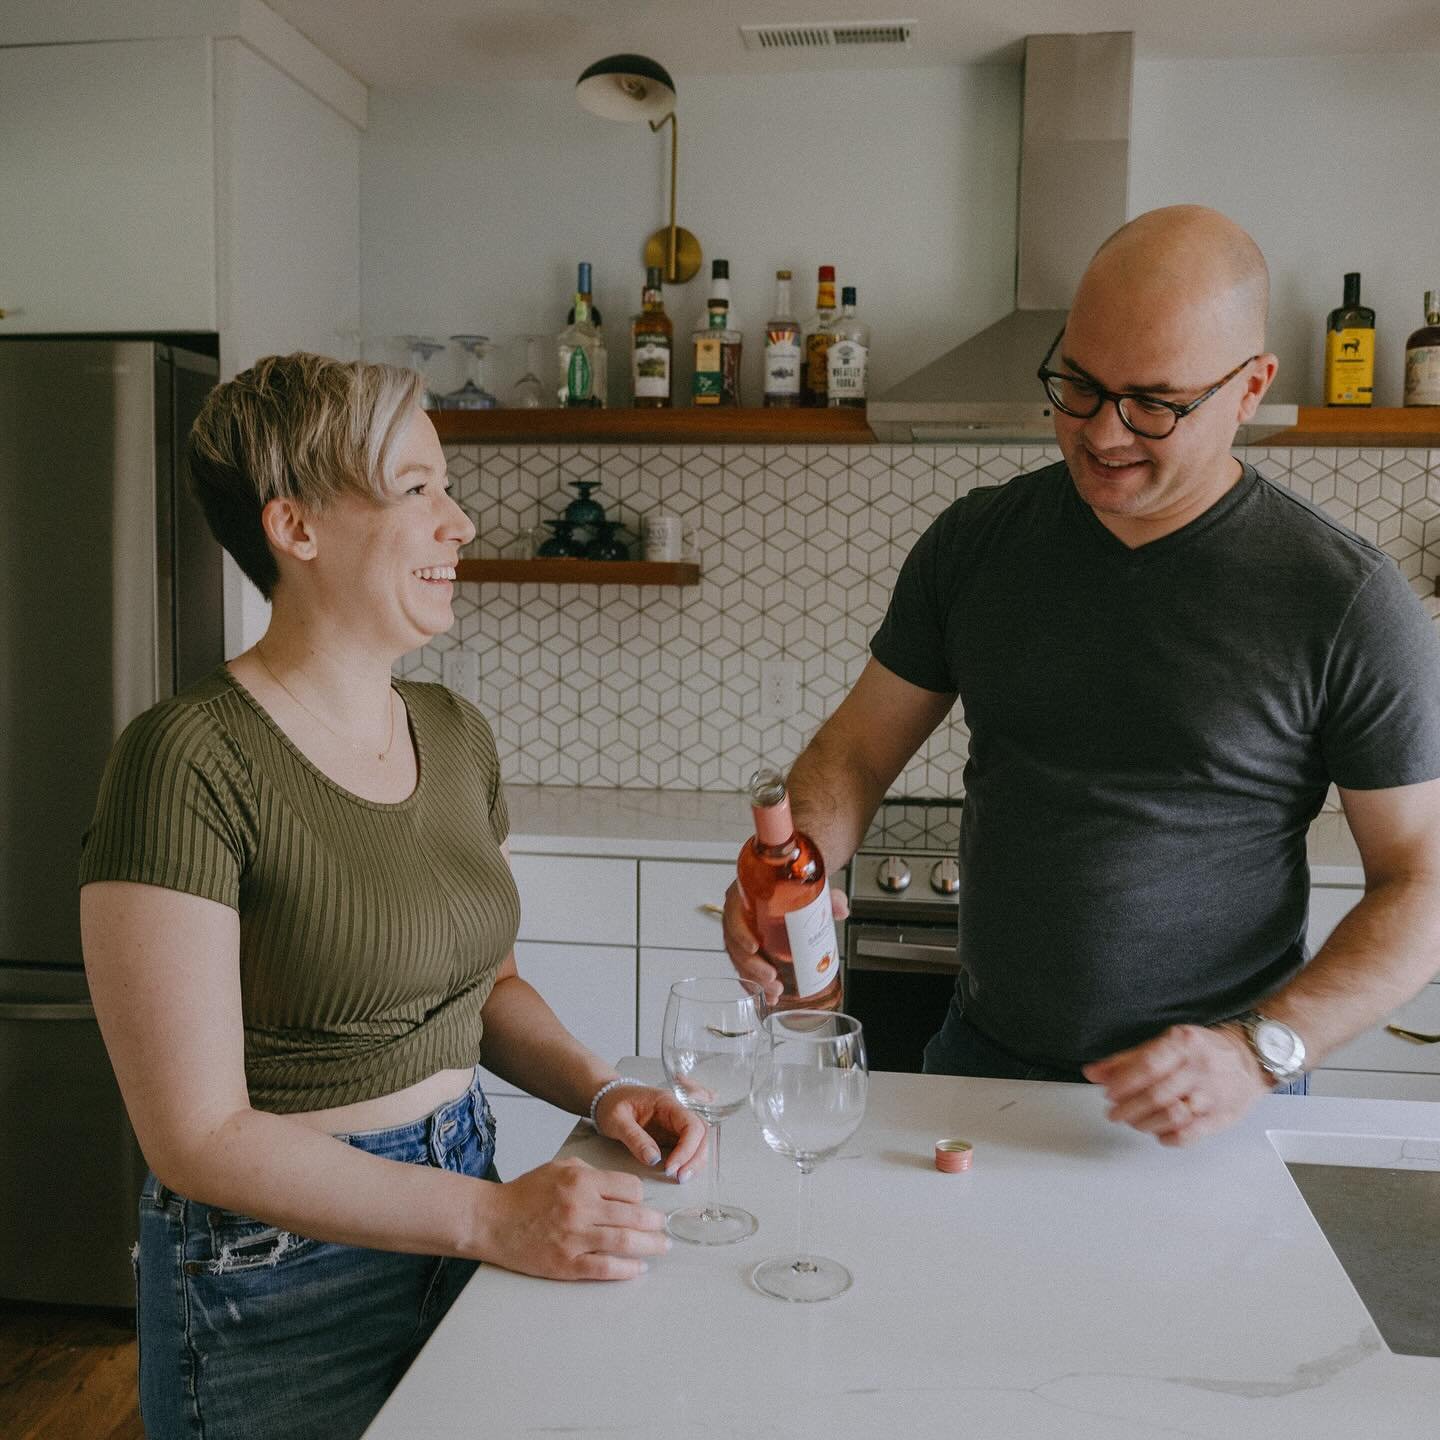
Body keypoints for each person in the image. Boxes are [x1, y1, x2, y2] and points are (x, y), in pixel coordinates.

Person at [78, 352, 705, 1440]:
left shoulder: (455, 733)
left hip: (466, 1181)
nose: (458, 523)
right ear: (297, 528)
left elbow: (487, 986)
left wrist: (599, 1093)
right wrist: (491, 1220)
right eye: (417, 489)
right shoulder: (184, 760)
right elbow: (195, 1136)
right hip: (276, 1278)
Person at [724, 205, 1440, 1146]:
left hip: (1210, 1099)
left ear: (1251, 387)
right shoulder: (978, 544)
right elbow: (856, 752)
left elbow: (1420, 880)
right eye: (1078, 384)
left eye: (1153, 402)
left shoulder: (1342, 600)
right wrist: (798, 871)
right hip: (976, 1065)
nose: (1103, 434)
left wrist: (1263, 1049)